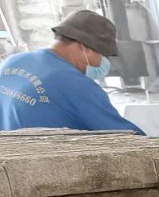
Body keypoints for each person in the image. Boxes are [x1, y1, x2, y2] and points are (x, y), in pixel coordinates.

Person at [0, 9, 144, 134]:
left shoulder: (12, 62)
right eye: (102, 55)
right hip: (46, 155)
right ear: (85, 48)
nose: (103, 62)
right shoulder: (75, 84)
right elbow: (122, 134)